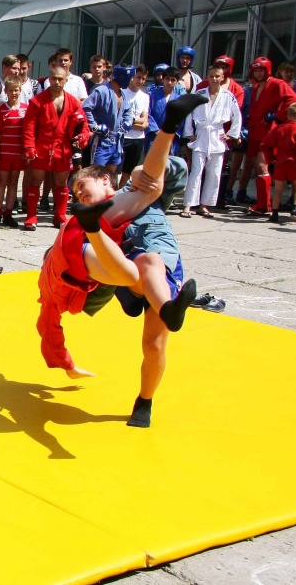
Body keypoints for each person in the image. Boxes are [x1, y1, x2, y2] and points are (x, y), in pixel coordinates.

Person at [35, 93, 205, 427]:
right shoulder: (84, 222)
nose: (79, 195)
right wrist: (64, 361)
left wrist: (143, 167)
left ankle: (145, 400)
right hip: (116, 276)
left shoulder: (134, 192)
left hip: (155, 275)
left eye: (84, 187)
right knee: (132, 257)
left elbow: (175, 170)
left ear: (106, 180)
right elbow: (48, 310)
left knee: (154, 343)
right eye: (76, 195)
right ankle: (169, 125)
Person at [21, 66, 90, 231]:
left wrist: (83, 136)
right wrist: (29, 146)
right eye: (54, 78)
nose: (57, 82)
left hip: (63, 148)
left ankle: (59, 217)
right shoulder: (37, 101)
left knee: (61, 183)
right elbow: (29, 126)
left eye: (60, 79)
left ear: (66, 80)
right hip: (41, 147)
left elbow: (83, 123)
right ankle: (31, 216)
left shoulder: (73, 101)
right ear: (48, 79)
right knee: (35, 180)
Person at [180, 65, 241, 218]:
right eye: (211, 75)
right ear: (207, 77)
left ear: (222, 78)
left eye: (217, 76)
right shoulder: (199, 94)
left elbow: (237, 116)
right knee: (196, 171)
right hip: (201, 134)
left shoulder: (228, 96)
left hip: (217, 135)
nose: (214, 79)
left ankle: (204, 205)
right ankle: (188, 205)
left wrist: (232, 134)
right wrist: (189, 133)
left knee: (214, 173)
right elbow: (188, 113)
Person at [241, 57, 296, 215]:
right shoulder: (255, 87)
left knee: (262, 166)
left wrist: (277, 115)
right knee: (256, 167)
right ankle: (263, 204)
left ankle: (263, 205)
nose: (259, 73)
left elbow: (293, 100)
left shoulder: (278, 83)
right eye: (256, 70)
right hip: (254, 131)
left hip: (268, 132)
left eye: (261, 70)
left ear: (267, 70)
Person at [83, 64, 135, 183]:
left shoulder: (122, 94)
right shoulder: (101, 91)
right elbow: (86, 107)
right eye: (131, 77)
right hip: (102, 139)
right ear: (122, 76)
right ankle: (91, 199)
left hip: (117, 141)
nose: (132, 80)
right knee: (95, 173)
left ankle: (106, 199)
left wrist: (128, 120)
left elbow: (127, 110)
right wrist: (94, 126)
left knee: (111, 175)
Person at [260, 103, 296, 224]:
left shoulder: (278, 128)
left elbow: (265, 145)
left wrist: (271, 159)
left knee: (278, 189)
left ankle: (275, 213)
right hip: (295, 162)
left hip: (280, 162)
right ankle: (295, 209)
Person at [0, 76, 27, 228]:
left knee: (14, 182)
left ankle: (8, 213)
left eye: (16, 90)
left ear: (20, 90)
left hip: (18, 152)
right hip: (5, 151)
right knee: (2, 182)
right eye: (11, 90)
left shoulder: (26, 109)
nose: (14, 93)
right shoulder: (1, 110)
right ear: (5, 91)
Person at [120, 65, 151, 188]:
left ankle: (121, 194)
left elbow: (144, 120)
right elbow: (120, 118)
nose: (141, 81)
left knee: (128, 172)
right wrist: (134, 122)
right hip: (123, 136)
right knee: (115, 169)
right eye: (138, 77)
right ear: (132, 77)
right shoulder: (122, 93)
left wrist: (131, 122)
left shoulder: (145, 96)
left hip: (138, 138)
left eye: (143, 78)